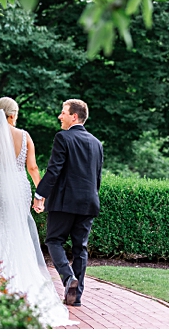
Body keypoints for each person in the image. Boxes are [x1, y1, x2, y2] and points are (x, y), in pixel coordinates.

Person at [0, 97, 73, 326]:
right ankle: (22, 285)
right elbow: (32, 167)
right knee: (18, 232)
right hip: (19, 189)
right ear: (12, 114)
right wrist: (42, 193)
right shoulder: (25, 136)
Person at [36, 99, 104, 309]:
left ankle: (68, 278)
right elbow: (97, 177)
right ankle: (77, 296)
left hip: (65, 202)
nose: (60, 116)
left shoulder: (63, 137)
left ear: (74, 116)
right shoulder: (96, 143)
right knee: (80, 248)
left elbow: (54, 170)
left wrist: (40, 194)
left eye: (63, 112)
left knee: (54, 241)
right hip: (89, 203)